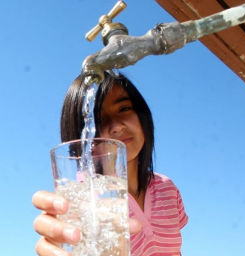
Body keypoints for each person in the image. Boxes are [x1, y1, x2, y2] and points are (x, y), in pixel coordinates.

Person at [32, 72, 188, 256]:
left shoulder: (167, 188)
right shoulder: (86, 200)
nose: (116, 126)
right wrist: (62, 240)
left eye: (124, 109)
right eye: (98, 120)